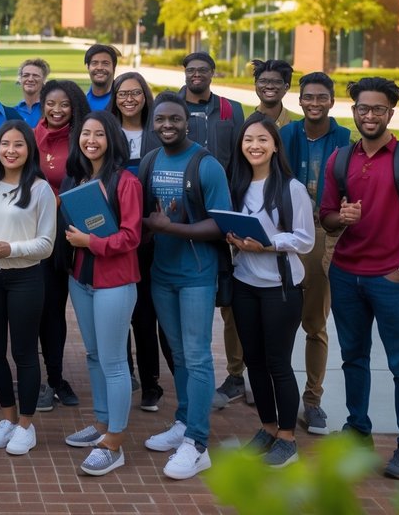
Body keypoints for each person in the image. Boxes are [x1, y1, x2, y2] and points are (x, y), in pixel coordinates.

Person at [319, 77, 399, 480]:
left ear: (391, 113)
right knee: (353, 360)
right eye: (363, 108)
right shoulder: (339, 159)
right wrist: (340, 218)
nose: (369, 115)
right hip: (345, 276)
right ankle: (357, 430)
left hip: (390, 279)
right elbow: (325, 216)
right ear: (354, 111)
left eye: (378, 109)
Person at [140, 92, 231, 481]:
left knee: (196, 356)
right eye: (160, 120)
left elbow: (221, 225)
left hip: (196, 273)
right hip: (162, 274)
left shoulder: (206, 165)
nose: (167, 126)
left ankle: (197, 443)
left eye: (174, 119)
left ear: (187, 122)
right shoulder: (150, 161)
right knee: (177, 354)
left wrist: (170, 227)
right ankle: (182, 422)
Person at [225, 113, 315, 468]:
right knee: (255, 362)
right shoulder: (238, 184)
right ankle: (266, 427)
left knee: (278, 363)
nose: (254, 146)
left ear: (275, 146)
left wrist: (268, 244)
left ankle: (287, 437)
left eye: (262, 139)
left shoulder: (290, 188)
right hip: (245, 284)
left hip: (280, 288)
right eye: (248, 140)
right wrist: (232, 237)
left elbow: (305, 240)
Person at [0, 120, 56, 456]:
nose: (11, 150)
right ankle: (7, 417)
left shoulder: (40, 189)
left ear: (29, 149)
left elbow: (46, 244)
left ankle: (26, 425)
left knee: (23, 353)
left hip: (26, 279)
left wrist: (11, 249)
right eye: (5, 144)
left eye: (18, 144)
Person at [61, 112, 142, 476]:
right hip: (82, 279)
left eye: (98, 134)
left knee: (113, 362)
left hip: (115, 281)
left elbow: (131, 236)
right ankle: (102, 423)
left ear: (111, 138)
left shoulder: (126, 181)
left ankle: (115, 442)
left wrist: (88, 241)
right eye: (85, 134)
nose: (90, 140)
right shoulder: (81, 179)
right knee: (94, 355)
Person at [279, 71, 351, 436]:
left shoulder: (344, 139)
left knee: (315, 324)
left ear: (332, 101)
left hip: (324, 230)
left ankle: (313, 401)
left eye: (322, 97)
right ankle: (280, 396)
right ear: (300, 100)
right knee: (280, 320)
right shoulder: (288, 134)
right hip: (288, 229)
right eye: (308, 97)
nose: (315, 103)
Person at [177, 51, 248, 410]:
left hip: (224, 212)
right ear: (185, 74)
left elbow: (240, 162)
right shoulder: (172, 106)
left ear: (212, 73)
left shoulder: (230, 110)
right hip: (183, 215)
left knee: (231, 296)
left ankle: (237, 374)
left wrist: (237, 210)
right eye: (191, 70)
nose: (197, 75)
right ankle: (189, 378)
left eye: (203, 70)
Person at [109, 71, 171, 414]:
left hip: (150, 233)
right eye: (122, 93)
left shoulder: (157, 134)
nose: (129, 99)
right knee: (119, 311)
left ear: (145, 96)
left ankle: (151, 384)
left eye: (135, 93)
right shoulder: (108, 130)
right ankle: (126, 374)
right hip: (116, 232)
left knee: (144, 314)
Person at [33, 79, 89, 412]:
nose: (56, 110)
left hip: (73, 234)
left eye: (64, 104)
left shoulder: (83, 137)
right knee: (44, 310)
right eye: (51, 103)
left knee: (59, 309)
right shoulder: (31, 135)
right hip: (38, 234)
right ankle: (46, 379)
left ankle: (57, 379)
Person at [252, 59, 294, 128]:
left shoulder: (294, 129)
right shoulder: (246, 125)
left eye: (276, 82)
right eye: (263, 81)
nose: (269, 86)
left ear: (286, 87)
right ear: (256, 84)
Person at [15, 58, 50, 128]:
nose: (30, 79)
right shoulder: (13, 112)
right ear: (20, 80)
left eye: (35, 75)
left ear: (44, 80)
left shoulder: (50, 110)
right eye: (26, 75)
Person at [84, 44, 118, 112]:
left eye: (105, 63)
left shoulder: (122, 100)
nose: (99, 68)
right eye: (94, 63)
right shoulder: (82, 101)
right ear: (88, 67)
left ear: (114, 67)